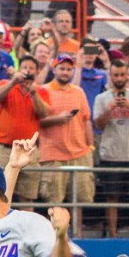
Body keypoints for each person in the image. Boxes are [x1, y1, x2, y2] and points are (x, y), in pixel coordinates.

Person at [93, 60, 129, 238]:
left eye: (122, 75)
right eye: (116, 75)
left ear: (127, 76)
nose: (119, 78)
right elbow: (99, 125)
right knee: (112, 198)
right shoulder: (101, 99)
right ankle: (112, 234)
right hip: (111, 155)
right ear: (110, 75)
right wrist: (109, 109)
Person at [38, 54, 94, 237]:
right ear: (54, 69)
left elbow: (86, 120)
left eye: (69, 69)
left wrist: (90, 146)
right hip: (53, 154)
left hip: (80, 153)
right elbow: (37, 120)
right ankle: (56, 237)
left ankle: (78, 235)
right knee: (55, 202)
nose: (65, 72)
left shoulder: (79, 92)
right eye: (62, 68)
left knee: (80, 200)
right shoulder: (43, 90)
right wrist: (57, 119)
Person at [0, 55, 50, 209]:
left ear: (36, 72)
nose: (27, 71)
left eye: (31, 68)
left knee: (27, 196)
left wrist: (34, 93)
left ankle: (26, 232)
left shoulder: (41, 91)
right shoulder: (6, 83)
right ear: (19, 69)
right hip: (3, 148)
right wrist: (12, 82)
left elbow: (44, 113)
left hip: (28, 150)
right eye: (25, 67)